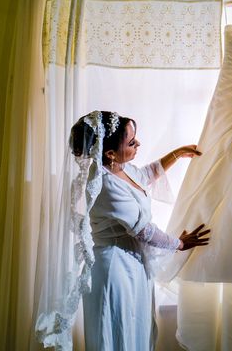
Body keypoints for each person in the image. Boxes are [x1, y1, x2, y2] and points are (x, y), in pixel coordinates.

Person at [69, 110, 210, 351]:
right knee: (117, 332)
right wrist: (179, 243)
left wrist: (176, 154)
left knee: (134, 330)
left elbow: (144, 175)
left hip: (131, 266)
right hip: (114, 270)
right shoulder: (105, 185)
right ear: (110, 153)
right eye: (132, 142)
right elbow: (143, 230)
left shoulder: (119, 168)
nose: (138, 144)